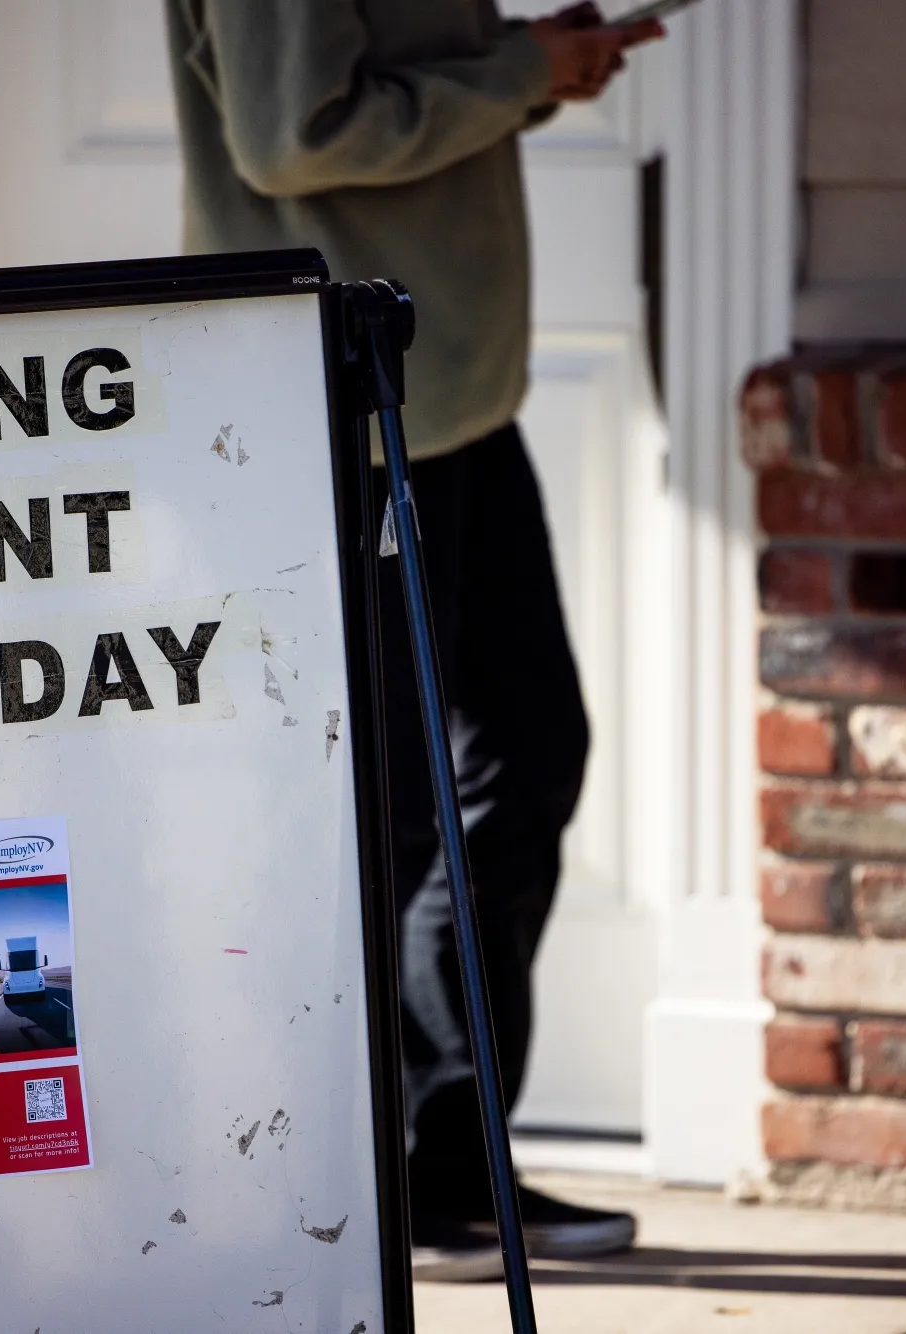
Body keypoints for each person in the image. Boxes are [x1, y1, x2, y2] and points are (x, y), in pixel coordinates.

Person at [166, 0, 664, 1282]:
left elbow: (398, 69)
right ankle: (345, 1180)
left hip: (453, 400)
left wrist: (532, 69)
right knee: (378, 800)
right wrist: (518, 68)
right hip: (352, 410)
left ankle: (450, 1162)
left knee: (522, 754)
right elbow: (289, 135)